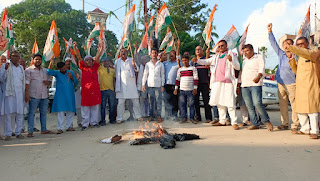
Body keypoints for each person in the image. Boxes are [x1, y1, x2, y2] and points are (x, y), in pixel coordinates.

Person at [195, 40, 240, 130]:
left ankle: (234, 122)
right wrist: (198, 60)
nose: (220, 48)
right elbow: (207, 61)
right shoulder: (216, 56)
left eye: (222, 46)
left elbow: (237, 67)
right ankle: (222, 120)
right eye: (219, 46)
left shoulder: (231, 54)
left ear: (226, 45)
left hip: (227, 82)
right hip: (217, 82)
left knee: (230, 102)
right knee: (219, 102)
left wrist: (231, 61)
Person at [283, 37, 320, 139]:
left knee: (312, 109)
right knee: (300, 109)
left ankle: (315, 131)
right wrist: (291, 61)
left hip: (311, 85)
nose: (299, 46)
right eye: (298, 44)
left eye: (301, 44)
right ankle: (305, 129)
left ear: (307, 43)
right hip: (300, 85)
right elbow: (296, 71)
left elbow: (302, 52)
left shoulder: (313, 52)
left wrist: (291, 47)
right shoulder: (300, 57)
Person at [267, 23, 299, 132]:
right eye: (285, 43)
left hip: (292, 83)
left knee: (294, 105)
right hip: (280, 82)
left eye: (288, 43)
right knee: (283, 104)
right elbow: (273, 43)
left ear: (292, 45)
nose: (286, 45)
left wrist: (293, 57)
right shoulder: (281, 54)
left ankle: (295, 124)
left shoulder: (297, 55)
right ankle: (284, 123)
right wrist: (270, 31)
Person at [240, 44, 273, 131]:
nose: (245, 53)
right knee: (249, 106)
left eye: (246, 51)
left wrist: (259, 76)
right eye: (243, 51)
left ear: (252, 50)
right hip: (245, 85)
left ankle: (267, 121)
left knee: (257, 103)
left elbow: (262, 67)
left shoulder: (258, 57)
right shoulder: (243, 60)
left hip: (255, 84)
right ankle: (255, 123)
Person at [73, 41, 103, 130]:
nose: (89, 61)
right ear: (85, 62)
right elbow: (78, 57)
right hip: (86, 91)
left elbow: (97, 57)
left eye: (90, 60)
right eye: (87, 60)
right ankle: (85, 124)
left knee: (95, 107)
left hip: (95, 91)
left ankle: (94, 123)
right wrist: (75, 48)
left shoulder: (95, 67)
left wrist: (101, 49)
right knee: (85, 108)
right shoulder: (83, 67)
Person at [25, 53, 54, 137]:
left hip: (44, 95)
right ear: (33, 60)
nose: (38, 61)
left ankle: (44, 129)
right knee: (32, 113)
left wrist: (48, 82)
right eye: (36, 59)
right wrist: (26, 94)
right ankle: (30, 131)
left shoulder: (45, 70)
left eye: (39, 59)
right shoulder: (28, 70)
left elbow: (49, 81)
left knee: (43, 113)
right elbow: (27, 84)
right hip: (33, 96)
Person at [47, 60, 78, 134]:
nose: (64, 70)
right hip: (60, 95)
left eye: (64, 68)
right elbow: (48, 71)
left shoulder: (71, 72)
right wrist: (51, 61)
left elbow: (76, 82)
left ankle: (69, 126)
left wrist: (72, 78)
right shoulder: (57, 73)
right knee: (61, 112)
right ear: (59, 69)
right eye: (62, 69)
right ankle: (60, 128)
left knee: (70, 111)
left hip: (70, 94)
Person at [115, 48, 142, 123]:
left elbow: (137, 70)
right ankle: (119, 118)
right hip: (121, 86)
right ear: (120, 53)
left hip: (131, 85)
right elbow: (115, 72)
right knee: (120, 103)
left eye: (125, 52)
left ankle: (138, 116)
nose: (123, 53)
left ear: (127, 53)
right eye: (122, 52)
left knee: (136, 102)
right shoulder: (117, 61)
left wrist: (134, 66)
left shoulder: (131, 60)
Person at [3, 51, 25, 140]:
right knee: (9, 114)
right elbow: (1, 78)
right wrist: (4, 70)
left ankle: (18, 133)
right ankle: (8, 134)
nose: (15, 58)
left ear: (19, 58)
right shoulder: (6, 66)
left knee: (20, 113)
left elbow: (23, 81)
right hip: (9, 94)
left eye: (17, 56)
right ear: (10, 57)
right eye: (13, 56)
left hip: (20, 94)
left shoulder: (21, 68)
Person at [142, 48, 165, 122]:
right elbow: (145, 75)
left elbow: (163, 75)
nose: (154, 54)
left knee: (158, 101)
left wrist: (162, 85)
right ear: (151, 54)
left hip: (158, 85)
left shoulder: (160, 64)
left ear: (157, 54)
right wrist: (143, 84)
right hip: (150, 85)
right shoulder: (148, 64)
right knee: (151, 102)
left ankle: (158, 116)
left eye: (155, 53)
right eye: (153, 53)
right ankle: (151, 116)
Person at [174, 54, 198, 123]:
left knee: (191, 105)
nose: (184, 62)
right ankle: (184, 118)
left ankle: (192, 118)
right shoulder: (180, 69)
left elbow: (196, 79)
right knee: (182, 105)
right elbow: (177, 79)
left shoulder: (193, 68)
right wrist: (176, 88)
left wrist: (195, 88)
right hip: (182, 90)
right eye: (183, 60)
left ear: (188, 61)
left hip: (190, 90)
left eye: (186, 60)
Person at [191, 46, 212, 123]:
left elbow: (207, 66)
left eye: (199, 49)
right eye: (196, 49)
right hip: (195, 84)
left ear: (202, 51)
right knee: (196, 101)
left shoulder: (206, 59)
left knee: (206, 101)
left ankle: (208, 117)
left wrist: (207, 55)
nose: (198, 51)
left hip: (204, 82)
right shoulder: (193, 61)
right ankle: (198, 117)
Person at [163, 40, 181, 119]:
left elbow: (179, 57)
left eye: (172, 54)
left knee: (174, 101)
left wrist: (178, 46)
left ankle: (174, 115)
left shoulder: (177, 63)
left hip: (174, 85)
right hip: (166, 85)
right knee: (167, 100)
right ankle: (167, 115)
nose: (171, 56)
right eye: (170, 54)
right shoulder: (165, 63)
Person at [98, 57, 116, 125]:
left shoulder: (112, 70)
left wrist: (115, 89)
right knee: (103, 106)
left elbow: (114, 80)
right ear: (102, 62)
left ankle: (111, 120)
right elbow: (96, 60)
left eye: (107, 61)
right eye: (104, 61)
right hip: (103, 90)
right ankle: (103, 120)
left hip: (111, 90)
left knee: (112, 106)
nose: (106, 62)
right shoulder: (100, 68)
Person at [0, 55, 6, 139]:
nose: (3, 61)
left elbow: (2, 79)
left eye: (5, 59)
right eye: (1, 59)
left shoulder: (6, 69)